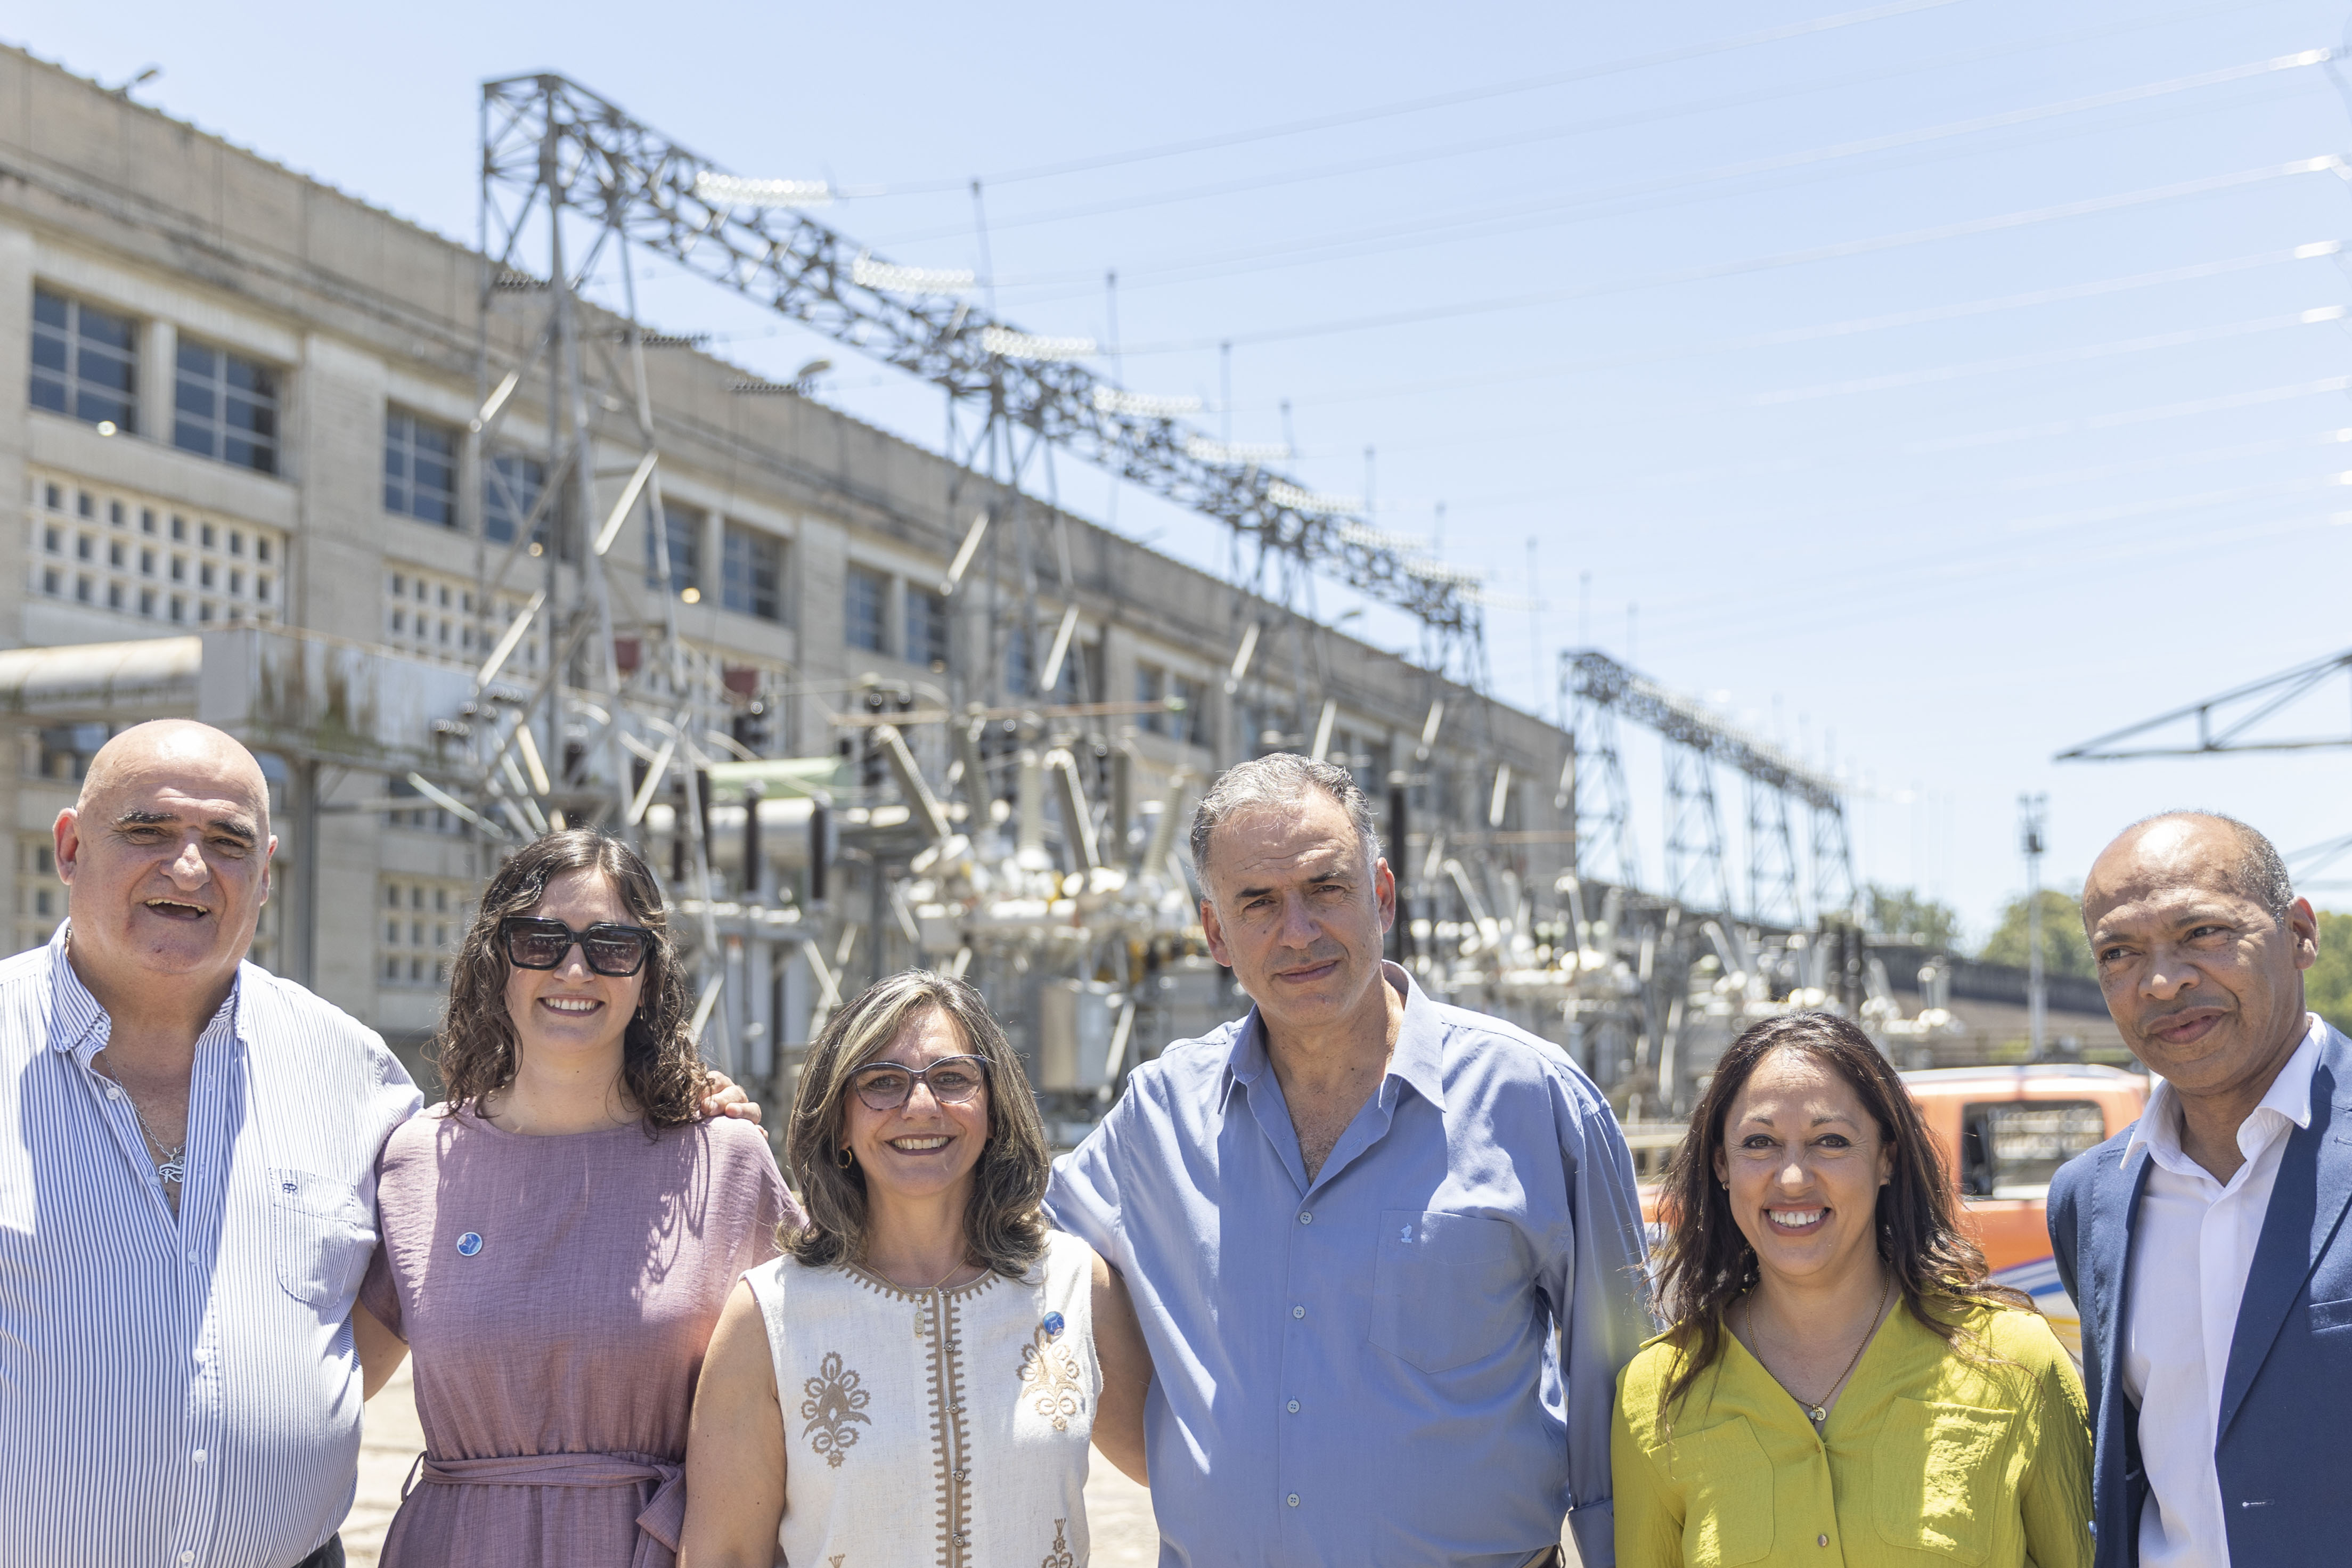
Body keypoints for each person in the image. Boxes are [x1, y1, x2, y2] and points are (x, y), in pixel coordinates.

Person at [1046, 753, 1653, 1567]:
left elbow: (1625, 1395)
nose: (1298, 931)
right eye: (1259, 903)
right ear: (1217, 934)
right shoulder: (1158, 1115)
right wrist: (1177, 1457)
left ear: (1383, 896)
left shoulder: (1537, 1103)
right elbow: (1025, 1253)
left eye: (1326, 888)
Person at [0, 719, 421, 1567]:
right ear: (71, 848)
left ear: (265, 875)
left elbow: (406, 1281)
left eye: (228, 842)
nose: (189, 868)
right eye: (148, 830)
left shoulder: (352, 1072)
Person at [357, 828, 793, 1567]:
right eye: (540, 941)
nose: (575, 969)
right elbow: (322, 1385)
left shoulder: (727, 1160)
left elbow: (819, 1376)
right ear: (496, 959)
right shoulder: (416, 1159)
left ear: (649, 974)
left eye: (612, 946)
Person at [680, 969, 1152, 1567]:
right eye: (883, 1082)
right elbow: (724, 1554)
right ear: (840, 1121)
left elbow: (1200, 1477)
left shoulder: (1076, 1286)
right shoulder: (768, 1318)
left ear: (995, 1106)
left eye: (952, 1078)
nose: (922, 1106)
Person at [1614, 1011, 2092, 1568]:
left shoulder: (2018, 1363)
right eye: (1760, 1143)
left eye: (1831, 1141)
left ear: (1887, 1158)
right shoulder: (1656, 1394)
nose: (1793, 1178)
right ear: (1722, 1165)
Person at [2049, 811, 2352, 1567]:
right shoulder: (2090, 1200)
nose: (2163, 981)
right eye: (2119, 953)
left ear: (2300, 934)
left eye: (2204, 933)